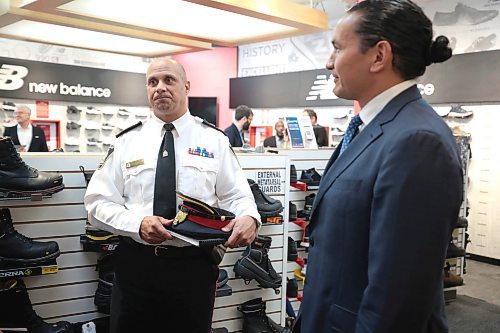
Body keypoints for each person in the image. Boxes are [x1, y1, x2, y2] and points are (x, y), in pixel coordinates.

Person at [295, 1, 463, 333]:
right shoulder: (375, 127)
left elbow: (398, 297)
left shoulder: (417, 142)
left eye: (338, 48)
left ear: (379, 56)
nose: (329, 62)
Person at [84, 58, 260, 333]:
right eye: (153, 82)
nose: (160, 88)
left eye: (169, 80)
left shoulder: (214, 141)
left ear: (187, 86)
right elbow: (96, 204)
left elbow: (237, 195)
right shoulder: (126, 142)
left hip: (193, 269)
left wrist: (249, 216)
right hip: (136, 268)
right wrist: (137, 225)